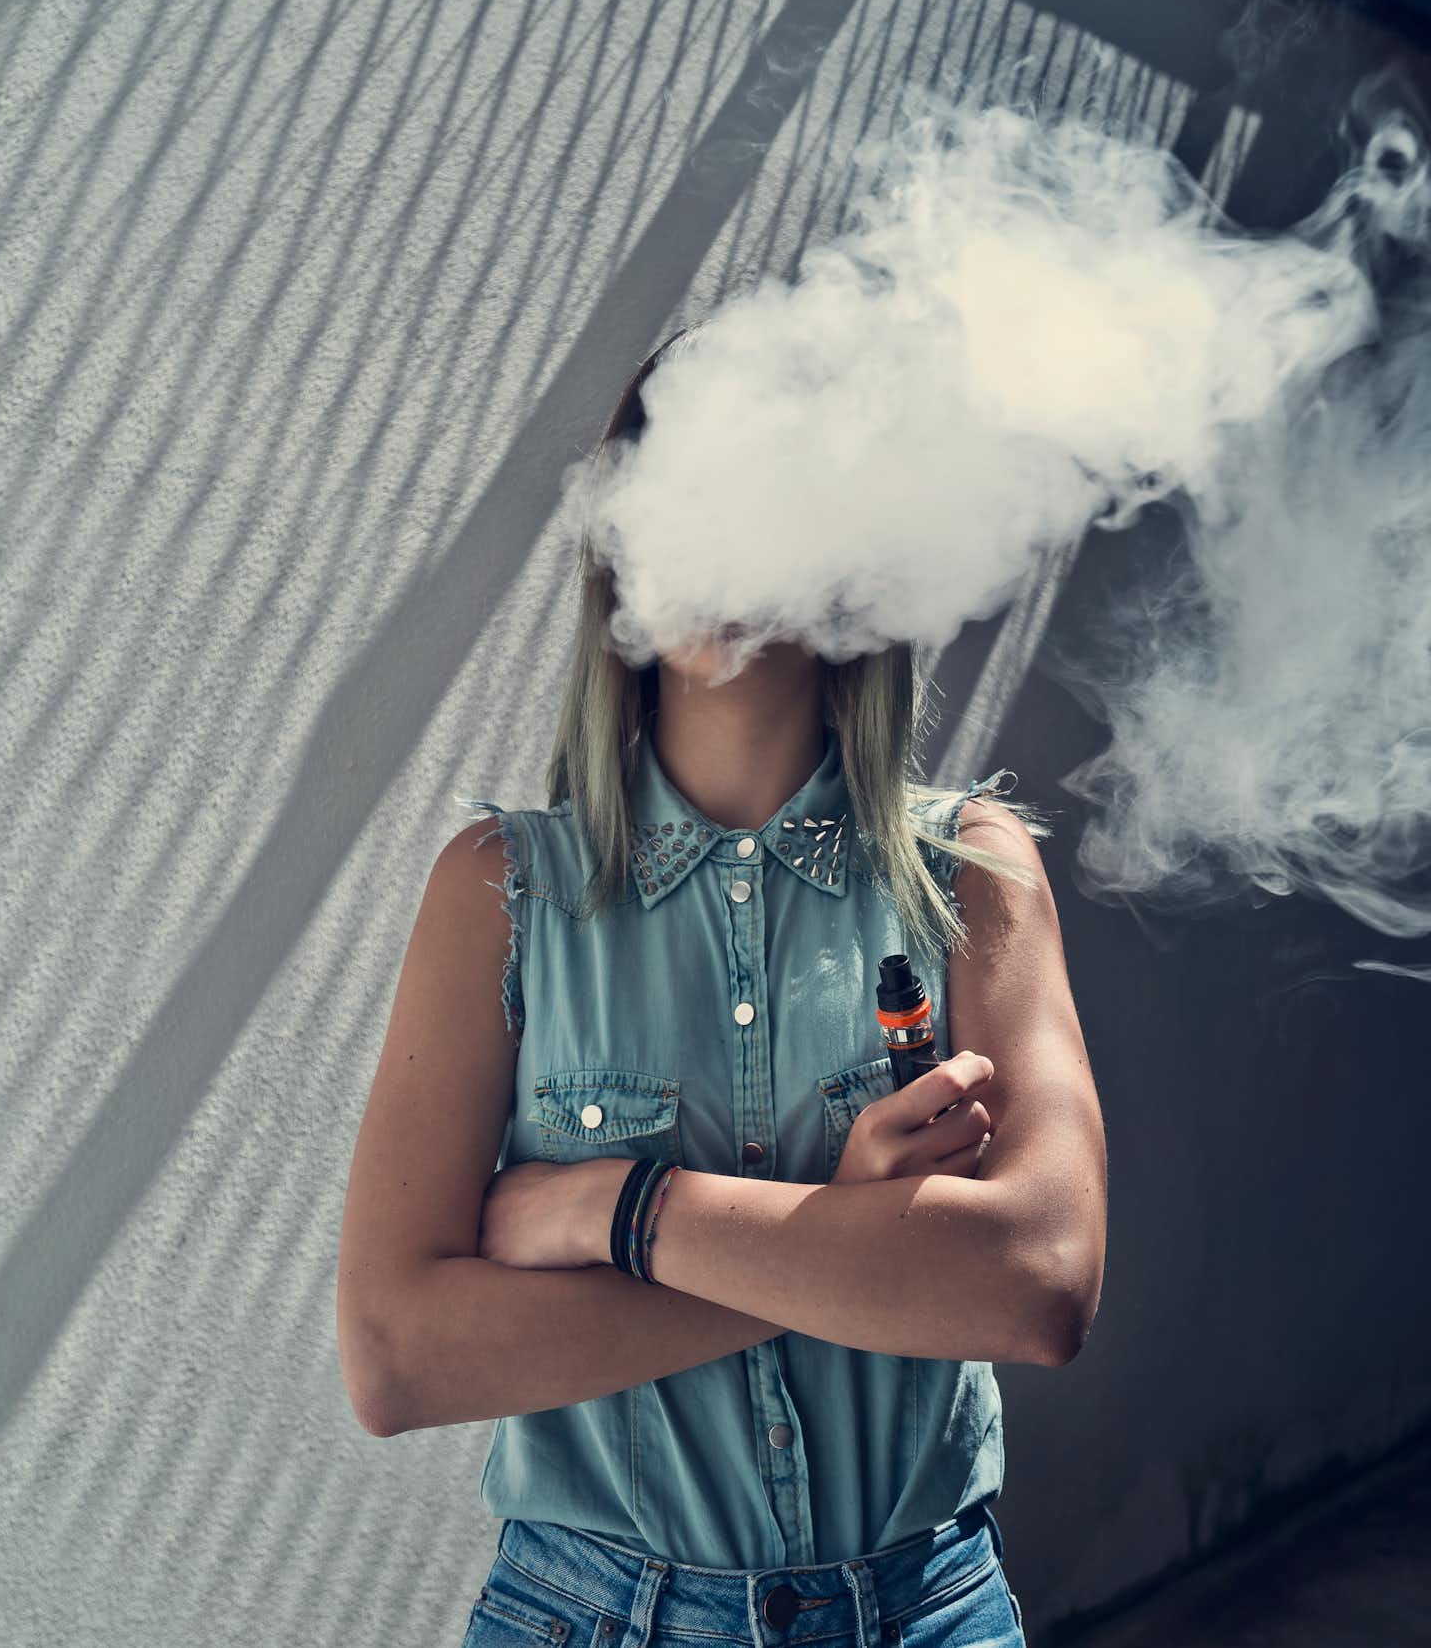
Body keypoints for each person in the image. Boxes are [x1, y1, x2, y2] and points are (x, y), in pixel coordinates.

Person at [338, 329, 1107, 1647]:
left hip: (922, 1613)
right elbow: (399, 1355)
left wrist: (612, 1206)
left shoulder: (973, 873)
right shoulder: (497, 893)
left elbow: (1038, 1281)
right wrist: (853, 1248)